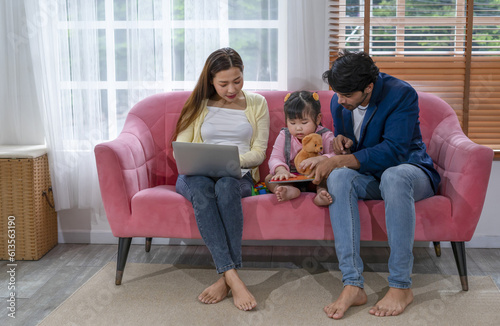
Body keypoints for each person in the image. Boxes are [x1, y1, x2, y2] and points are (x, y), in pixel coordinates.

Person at [313, 50, 441, 319]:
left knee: (393, 176)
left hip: (410, 172)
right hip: (374, 176)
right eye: (337, 93)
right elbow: (349, 138)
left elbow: (395, 151)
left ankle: (401, 285)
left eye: (347, 95)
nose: (340, 100)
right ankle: (352, 283)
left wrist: (340, 160)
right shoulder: (341, 101)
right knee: (339, 178)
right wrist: (340, 140)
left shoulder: (401, 94)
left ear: (368, 87)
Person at [172, 47, 270, 311]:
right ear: (211, 80)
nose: (231, 89)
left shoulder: (257, 103)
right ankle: (233, 277)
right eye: (223, 83)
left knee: (226, 186)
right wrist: (207, 161)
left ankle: (224, 277)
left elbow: (259, 152)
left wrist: (230, 162)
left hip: (237, 174)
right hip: (196, 175)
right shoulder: (197, 104)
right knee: (204, 191)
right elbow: (181, 145)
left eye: (237, 81)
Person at [264, 91, 335, 206]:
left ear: (317, 119)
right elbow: (275, 158)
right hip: (291, 178)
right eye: (292, 123)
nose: (298, 128)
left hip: (315, 177)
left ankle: (321, 193)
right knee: (269, 178)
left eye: (304, 122)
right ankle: (288, 190)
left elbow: (335, 156)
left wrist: (320, 159)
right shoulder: (284, 135)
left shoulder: (325, 135)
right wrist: (281, 170)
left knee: (328, 178)